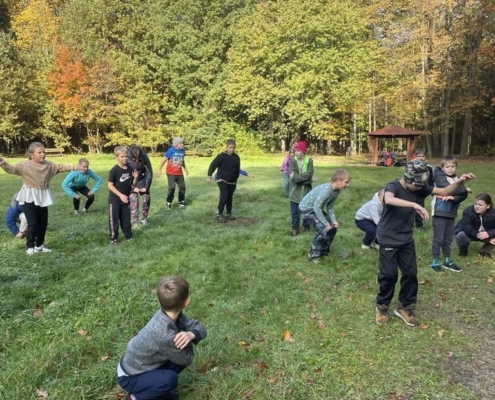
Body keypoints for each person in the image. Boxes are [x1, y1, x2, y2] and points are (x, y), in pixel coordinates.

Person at [375, 160, 475, 327]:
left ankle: (405, 307)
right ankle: (382, 306)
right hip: (388, 237)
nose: (419, 189)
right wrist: (413, 204)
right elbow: (389, 199)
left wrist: (460, 181)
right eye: (416, 186)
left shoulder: (419, 187)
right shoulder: (393, 186)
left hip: (406, 238)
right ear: (407, 179)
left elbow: (443, 190)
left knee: (410, 273)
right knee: (389, 275)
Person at [117, 276, 207, 400]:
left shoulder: (173, 316)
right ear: (187, 302)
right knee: (170, 379)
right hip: (130, 377)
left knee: (175, 359)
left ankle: (157, 389)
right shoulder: (164, 334)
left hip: (142, 365)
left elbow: (200, 327)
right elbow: (187, 359)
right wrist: (187, 339)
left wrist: (191, 334)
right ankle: (134, 397)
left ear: (158, 301)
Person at [0, 142, 73, 255]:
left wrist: (73, 167)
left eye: (44, 152)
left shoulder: (48, 165)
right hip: (29, 197)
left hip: (43, 196)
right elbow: (10, 169)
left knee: (43, 223)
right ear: (31, 154)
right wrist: (2, 162)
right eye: (39, 152)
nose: (43, 154)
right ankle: (30, 248)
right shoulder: (24, 166)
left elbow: (60, 167)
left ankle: (39, 246)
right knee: (33, 222)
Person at [300, 169, 351, 263]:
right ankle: (313, 256)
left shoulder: (336, 191)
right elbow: (316, 207)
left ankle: (323, 251)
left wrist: (333, 221)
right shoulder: (327, 190)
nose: (347, 185)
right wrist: (325, 223)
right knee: (323, 228)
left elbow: (330, 207)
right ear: (338, 181)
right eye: (346, 182)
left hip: (315, 209)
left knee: (333, 228)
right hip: (306, 209)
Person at [429, 156, 469, 272]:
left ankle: (447, 260)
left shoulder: (456, 178)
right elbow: (448, 188)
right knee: (438, 238)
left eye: (453, 166)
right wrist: (461, 187)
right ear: (442, 168)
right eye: (447, 167)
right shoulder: (439, 177)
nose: (450, 169)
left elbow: (463, 194)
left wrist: (454, 197)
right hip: (440, 211)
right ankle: (435, 261)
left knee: (448, 237)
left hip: (451, 212)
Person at [108, 146, 138, 245]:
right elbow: (110, 185)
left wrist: (135, 178)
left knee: (126, 219)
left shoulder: (130, 169)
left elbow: (132, 185)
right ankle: (114, 238)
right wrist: (120, 195)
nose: (125, 158)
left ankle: (128, 236)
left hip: (125, 200)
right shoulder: (114, 170)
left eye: (126, 156)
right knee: (114, 221)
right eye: (122, 156)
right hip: (115, 200)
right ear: (116, 157)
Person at [207, 139, 241, 223]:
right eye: (230, 147)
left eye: (234, 148)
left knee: (230, 198)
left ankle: (229, 214)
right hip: (221, 179)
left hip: (232, 181)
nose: (232, 149)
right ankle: (219, 214)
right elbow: (213, 165)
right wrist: (209, 175)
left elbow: (237, 170)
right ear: (227, 147)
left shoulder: (236, 157)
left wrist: (235, 180)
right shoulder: (222, 156)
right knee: (224, 196)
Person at [455, 193, 495, 258]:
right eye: (475, 204)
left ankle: (485, 251)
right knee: (461, 235)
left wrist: (489, 234)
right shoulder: (468, 211)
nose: (477, 206)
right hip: (472, 233)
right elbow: (467, 228)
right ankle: (463, 253)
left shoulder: (493, 214)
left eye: (480, 205)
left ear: (488, 206)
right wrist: (487, 239)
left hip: (487, 234)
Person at [289, 141, 314, 236]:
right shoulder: (292, 161)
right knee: (295, 212)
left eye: (298, 151)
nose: (296, 153)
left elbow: (309, 173)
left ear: (303, 151)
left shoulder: (309, 160)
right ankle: (295, 229)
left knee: (306, 210)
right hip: (294, 191)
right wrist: (308, 180)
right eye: (295, 151)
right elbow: (294, 178)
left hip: (306, 191)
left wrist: (299, 178)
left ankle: (306, 227)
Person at [157, 137, 188, 210]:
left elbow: (182, 160)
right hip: (171, 173)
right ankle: (168, 203)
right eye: (180, 143)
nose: (182, 144)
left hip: (179, 173)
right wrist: (159, 169)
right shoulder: (171, 150)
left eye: (182, 143)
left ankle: (181, 202)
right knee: (172, 188)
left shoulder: (183, 151)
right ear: (176, 144)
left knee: (182, 187)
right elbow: (163, 160)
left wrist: (185, 169)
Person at [128, 145, 153, 227]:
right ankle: (135, 222)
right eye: (135, 159)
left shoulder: (144, 157)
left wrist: (146, 187)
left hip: (142, 180)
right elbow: (123, 175)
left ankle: (144, 219)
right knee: (133, 200)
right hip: (131, 181)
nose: (137, 160)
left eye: (139, 159)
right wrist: (132, 187)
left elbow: (149, 172)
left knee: (146, 198)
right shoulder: (126, 158)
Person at [412, 148, 433, 231]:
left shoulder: (429, 167)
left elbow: (431, 180)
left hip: (422, 190)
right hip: (412, 189)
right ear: (415, 157)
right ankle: (408, 224)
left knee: (420, 207)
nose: (421, 158)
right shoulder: (412, 165)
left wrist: (432, 192)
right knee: (410, 207)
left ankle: (419, 224)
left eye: (423, 156)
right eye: (419, 156)